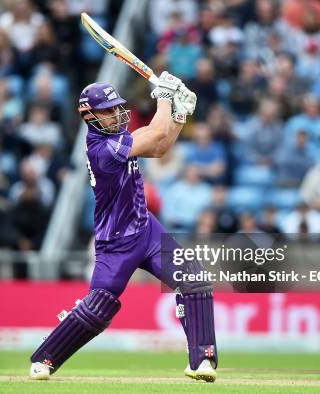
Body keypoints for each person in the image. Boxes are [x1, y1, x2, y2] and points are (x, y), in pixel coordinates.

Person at [29, 72, 218, 382]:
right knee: (98, 309)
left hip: (146, 228)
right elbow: (156, 133)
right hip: (116, 241)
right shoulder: (100, 148)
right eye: (108, 110)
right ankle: (45, 358)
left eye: (117, 107)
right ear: (89, 116)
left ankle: (202, 361)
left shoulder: (118, 138)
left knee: (194, 280)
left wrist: (180, 113)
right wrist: (165, 98)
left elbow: (160, 148)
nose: (117, 114)